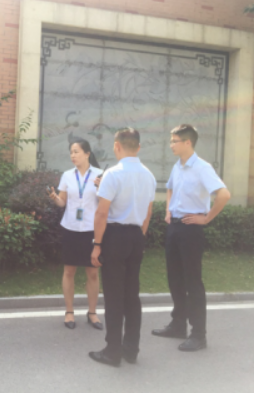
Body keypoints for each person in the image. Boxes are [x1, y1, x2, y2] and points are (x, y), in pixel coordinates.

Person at [152, 124, 230, 352]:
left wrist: (206, 219)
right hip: (175, 227)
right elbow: (169, 188)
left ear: (188, 142)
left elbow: (224, 194)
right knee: (175, 279)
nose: (171, 145)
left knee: (193, 282)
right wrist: (169, 210)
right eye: (171, 141)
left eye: (174, 141)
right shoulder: (177, 166)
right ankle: (178, 325)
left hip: (191, 230)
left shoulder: (202, 168)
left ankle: (198, 335)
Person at [89, 128, 156, 367]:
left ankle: (112, 351)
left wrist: (97, 245)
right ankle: (131, 349)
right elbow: (148, 213)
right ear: (138, 147)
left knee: (114, 296)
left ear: (117, 146)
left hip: (115, 236)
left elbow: (102, 213)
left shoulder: (113, 174)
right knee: (132, 296)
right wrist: (139, 238)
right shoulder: (149, 175)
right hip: (137, 235)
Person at [48, 137, 104, 330]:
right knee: (69, 271)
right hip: (70, 228)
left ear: (87, 153)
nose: (73, 155)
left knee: (92, 272)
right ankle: (69, 311)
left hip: (91, 229)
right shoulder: (67, 175)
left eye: (76, 152)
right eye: (71, 152)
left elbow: (105, 203)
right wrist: (55, 198)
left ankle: (92, 312)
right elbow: (62, 202)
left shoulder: (100, 175)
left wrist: (101, 187)